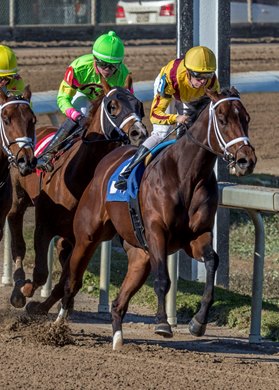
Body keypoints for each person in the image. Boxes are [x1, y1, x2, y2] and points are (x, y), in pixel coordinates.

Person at [114, 45, 220, 190]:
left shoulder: (212, 81)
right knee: (161, 133)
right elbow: (156, 115)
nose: (202, 82)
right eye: (198, 76)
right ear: (188, 72)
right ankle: (127, 171)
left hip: (191, 98)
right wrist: (175, 118)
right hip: (172, 91)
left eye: (207, 76)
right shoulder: (170, 78)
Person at [36, 30, 133, 172]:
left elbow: (128, 105)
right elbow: (63, 98)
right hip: (83, 98)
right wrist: (75, 115)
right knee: (82, 109)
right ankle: (49, 153)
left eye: (113, 66)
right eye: (103, 64)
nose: (107, 70)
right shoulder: (78, 68)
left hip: (107, 103)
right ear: (94, 59)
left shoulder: (123, 74)